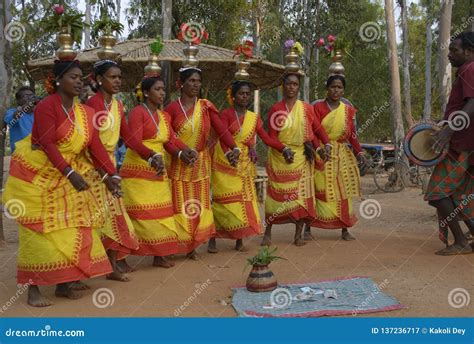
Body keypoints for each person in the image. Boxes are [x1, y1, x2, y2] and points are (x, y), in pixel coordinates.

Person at [3, 59, 121, 307]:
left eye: (81, 77)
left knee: (75, 226)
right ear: (57, 81)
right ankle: (32, 288)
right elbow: (47, 143)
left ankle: (64, 283)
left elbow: (95, 147)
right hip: (40, 173)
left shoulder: (86, 112)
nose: (79, 81)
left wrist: (111, 174)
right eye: (73, 77)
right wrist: (69, 174)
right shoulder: (48, 106)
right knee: (39, 230)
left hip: (71, 170)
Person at [86, 60, 165, 279]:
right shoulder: (92, 104)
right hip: (93, 168)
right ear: (100, 80)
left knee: (115, 216)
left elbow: (129, 138)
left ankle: (112, 265)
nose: (118, 81)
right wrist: (107, 172)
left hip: (110, 166)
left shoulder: (118, 106)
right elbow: (92, 143)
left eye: (119, 77)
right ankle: (88, 271)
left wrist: (151, 155)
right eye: (113, 77)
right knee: (94, 220)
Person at [208, 80, 295, 253]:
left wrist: (283, 147)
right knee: (222, 202)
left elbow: (267, 139)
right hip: (224, 161)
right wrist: (228, 153)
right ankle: (213, 238)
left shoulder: (253, 118)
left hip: (244, 164)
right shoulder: (225, 114)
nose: (245, 97)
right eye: (241, 93)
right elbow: (222, 137)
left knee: (242, 201)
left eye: (247, 94)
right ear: (233, 96)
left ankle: (239, 241)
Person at [164, 67, 240, 259]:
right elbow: (167, 136)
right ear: (180, 84)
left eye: (198, 81)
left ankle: (193, 246)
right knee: (180, 204)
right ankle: (179, 244)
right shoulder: (172, 108)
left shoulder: (206, 106)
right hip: (179, 164)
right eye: (191, 81)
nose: (196, 84)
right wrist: (180, 152)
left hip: (200, 163)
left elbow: (221, 130)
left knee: (198, 204)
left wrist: (233, 148)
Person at [121, 74, 193, 267]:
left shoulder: (164, 116)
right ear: (145, 92)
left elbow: (170, 140)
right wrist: (151, 155)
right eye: (157, 89)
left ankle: (159, 254)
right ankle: (123, 256)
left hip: (158, 170)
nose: (162, 93)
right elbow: (133, 141)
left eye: (163, 90)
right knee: (137, 214)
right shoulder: (137, 112)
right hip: (138, 169)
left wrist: (184, 151)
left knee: (161, 213)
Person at [261, 73, 330, 246]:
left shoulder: (306, 108)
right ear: (282, 86)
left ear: (299, 87)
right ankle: (267, 232)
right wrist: (283, 149)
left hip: (301, 157)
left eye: (295, 84)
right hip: (280, 157)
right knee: (275, 197)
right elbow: (271, 137)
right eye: (289, 84)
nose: (292, 87)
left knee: (301, 196)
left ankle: (298, 235)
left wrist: (326, 145)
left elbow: (317, 129)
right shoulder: (276, 109)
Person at [426, 31, 474, 255]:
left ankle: (461, 242)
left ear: (469, 51)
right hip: (464, 143)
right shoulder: (466, 71)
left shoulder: (469, 69)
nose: (449, 55)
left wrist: (449, 131)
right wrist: (444, 123)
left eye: (454, 50)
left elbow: (472, 102)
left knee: (437, 192)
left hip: (460, 145)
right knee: (459, 195)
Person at [306, 74, 367, 241]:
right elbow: (312, 131)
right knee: (318, 189)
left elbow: (352, 135)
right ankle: (308, 227)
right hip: (321, 154)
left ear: (343, 90)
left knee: (343, 191)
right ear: (327, 88)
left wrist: (359, 151)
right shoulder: (317, 107)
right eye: (333, 86)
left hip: (341, 155)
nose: (336, 90)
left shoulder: (347, 110)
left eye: (339, 87)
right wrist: (318, 149)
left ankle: (344, 229)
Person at [4, 86, 38, 153]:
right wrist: (28, 104)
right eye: (26, 96)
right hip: (20, 154)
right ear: (18, 101)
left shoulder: (37, 113)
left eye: (32, 95)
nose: (30, 98)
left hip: (37, 151)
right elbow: (13, 117)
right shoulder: (12, 111)